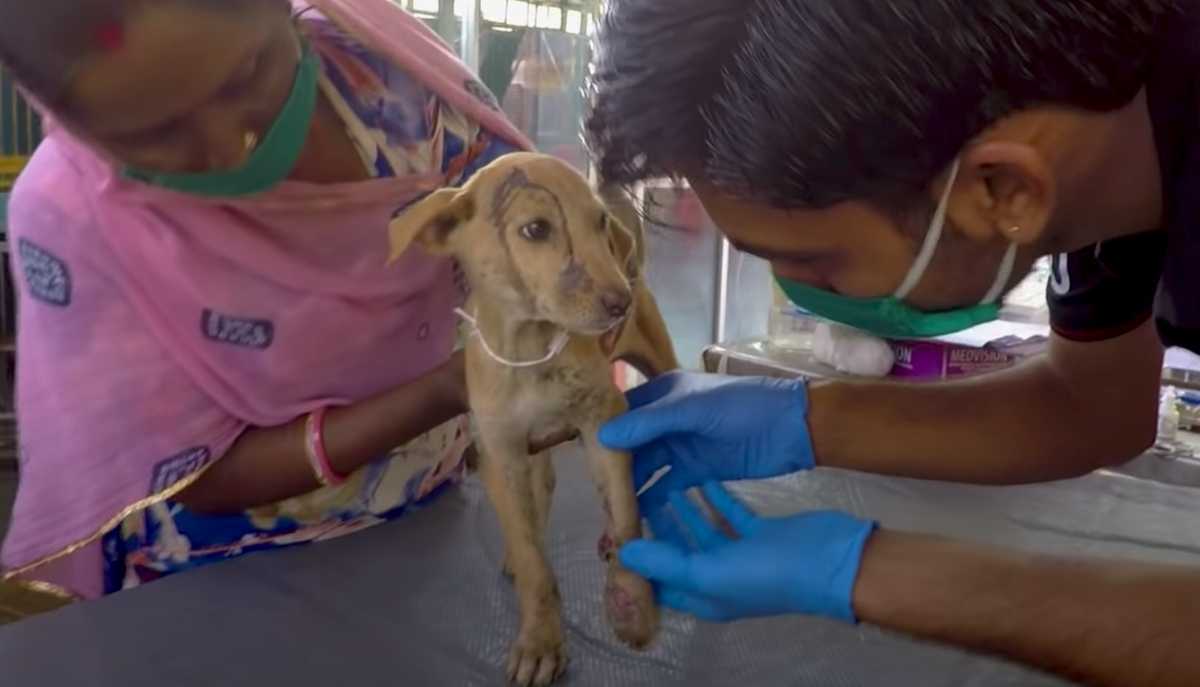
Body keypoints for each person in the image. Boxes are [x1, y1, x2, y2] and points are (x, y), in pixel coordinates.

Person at [587, 1, 1200, 685]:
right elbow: (1096, 404)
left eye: (818, 263)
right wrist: (804, 418)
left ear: (1002, 188)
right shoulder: (1104, 134)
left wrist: (865, 573)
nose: (799, 292)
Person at [0, 0, 537, 601]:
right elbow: (196, 475)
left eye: (248, 73)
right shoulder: (70, 218)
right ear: (64, 118)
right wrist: (453, 388)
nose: (232, 147)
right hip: (221, 582)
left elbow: (525, 222)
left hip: (433, 518)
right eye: (152, 133)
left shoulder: (392, 84)